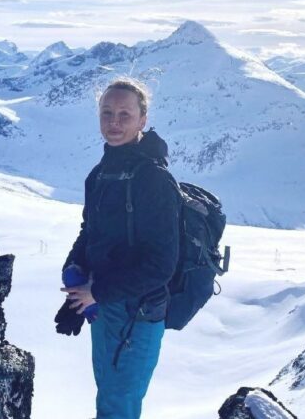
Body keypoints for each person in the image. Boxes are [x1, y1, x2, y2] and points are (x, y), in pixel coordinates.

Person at [57, 78, 181, 419]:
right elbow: (90, 231)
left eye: (125, 114)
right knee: (109, 395)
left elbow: (161, 264)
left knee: (119, 405)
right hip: (104, 306)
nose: (114, 122)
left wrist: (97, 291)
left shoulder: (153, 180)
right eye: (107, 112)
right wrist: (74, 271)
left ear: (143, 120)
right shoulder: (100, 173)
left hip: (138, 313)